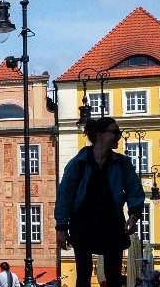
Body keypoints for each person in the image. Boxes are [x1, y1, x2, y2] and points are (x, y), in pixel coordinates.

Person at [59, 116, 145, 287]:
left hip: (111, 223)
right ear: (100, 135)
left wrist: (134, 216)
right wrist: (61, 227)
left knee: (113, 275)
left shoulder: (122, 163)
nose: (119, 136)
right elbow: (64, 195)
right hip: (82, 223)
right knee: (83, 274)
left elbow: (135, 191)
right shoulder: (78, 163)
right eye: (115, 132)